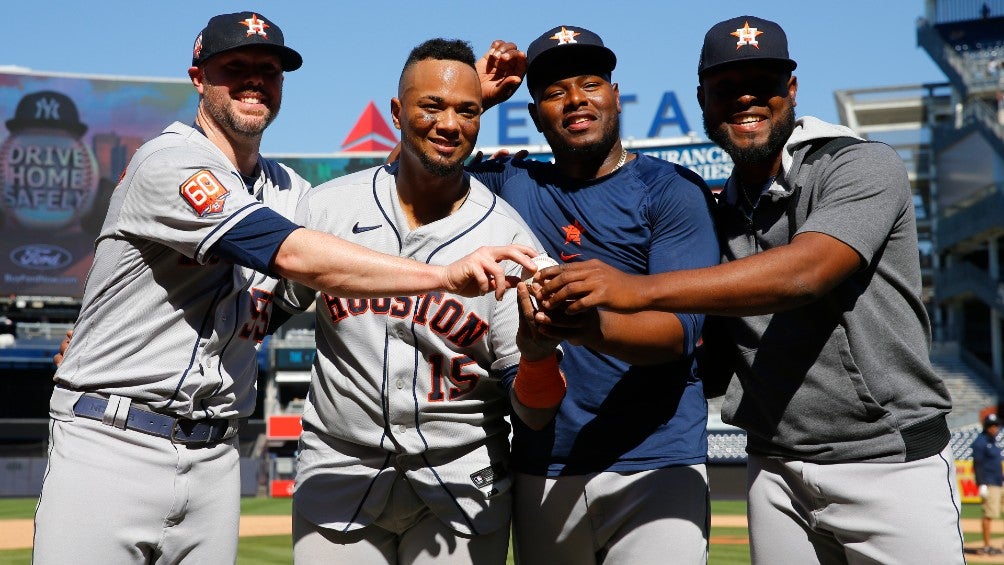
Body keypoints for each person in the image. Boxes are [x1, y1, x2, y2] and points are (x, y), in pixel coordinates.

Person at [32, 13, 536, 565]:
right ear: (198, 77)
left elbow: (384, 194)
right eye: (236, 68)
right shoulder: (168, 160)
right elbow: (292, 253)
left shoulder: (293, 193)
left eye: (269, 70)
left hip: (215, 454)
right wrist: (443, 276)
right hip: (115, 435)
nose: (254, 80)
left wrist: (455, 107)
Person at [538, 15, 965, 564]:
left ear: (790, 90)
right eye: (726, 90)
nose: (745, 101)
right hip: (773, 470)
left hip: (886, 461)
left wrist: (635, 291)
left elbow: (805, 273)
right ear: (703, 101)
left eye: (762, 86)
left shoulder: (860, 164)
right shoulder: (721, 208)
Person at [288, 39, 563, 564]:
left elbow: (535, 411)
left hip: (461, 486)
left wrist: (538, 354)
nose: (449, 124)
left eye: (467, 110)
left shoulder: (509, 237)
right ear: (397, 112)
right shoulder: (327, 207)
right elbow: (260, 310)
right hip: (340, 475)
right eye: (431, 106)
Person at [467, 26, 720, 564]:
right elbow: (404, 178)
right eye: (555, 91)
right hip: (542, 460)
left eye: (590, 84)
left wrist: (588, 327)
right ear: (536, 114)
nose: (576, 99)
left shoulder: (671, 189)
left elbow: (679, 334)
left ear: (615, 96)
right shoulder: (511, 182)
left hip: (655, 458)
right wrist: (476, 99)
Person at [973, 413, 1004, 555]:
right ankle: (986, 546)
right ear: (986, 426)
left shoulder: (994, 441)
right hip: (989, 483)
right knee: (989, 514)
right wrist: (981, 484)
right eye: (992, 425)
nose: (995, 428)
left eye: (996, 425)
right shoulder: (980, 442)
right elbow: (977, 464)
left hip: (999, 482)